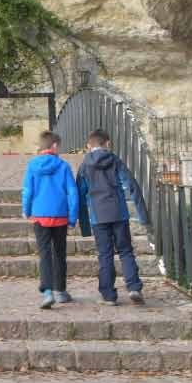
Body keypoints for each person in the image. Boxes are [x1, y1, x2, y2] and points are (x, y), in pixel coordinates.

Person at [76, 129, 150, 306]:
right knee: (125, 250)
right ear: (107, 143)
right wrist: (143, 216)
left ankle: (108, 295)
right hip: (119, 213)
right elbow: (131, 186)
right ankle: (133, 287)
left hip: (98, 216)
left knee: (104, 254)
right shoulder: (116, 161)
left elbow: (80, 194)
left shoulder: (85, 165)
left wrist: (85, 226)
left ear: (89, 146)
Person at [21, 131, 78, 309]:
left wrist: (26, 210)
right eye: (58, 146)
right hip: (60, 216)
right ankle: (60, 291)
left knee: (44, 253)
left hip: (40, 215)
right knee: (59, 253)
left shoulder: (32, 165)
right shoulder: (63, 166)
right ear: (54, 146)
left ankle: (47, 292)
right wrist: (73, 216)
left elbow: (27, 191)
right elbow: (72, 192)